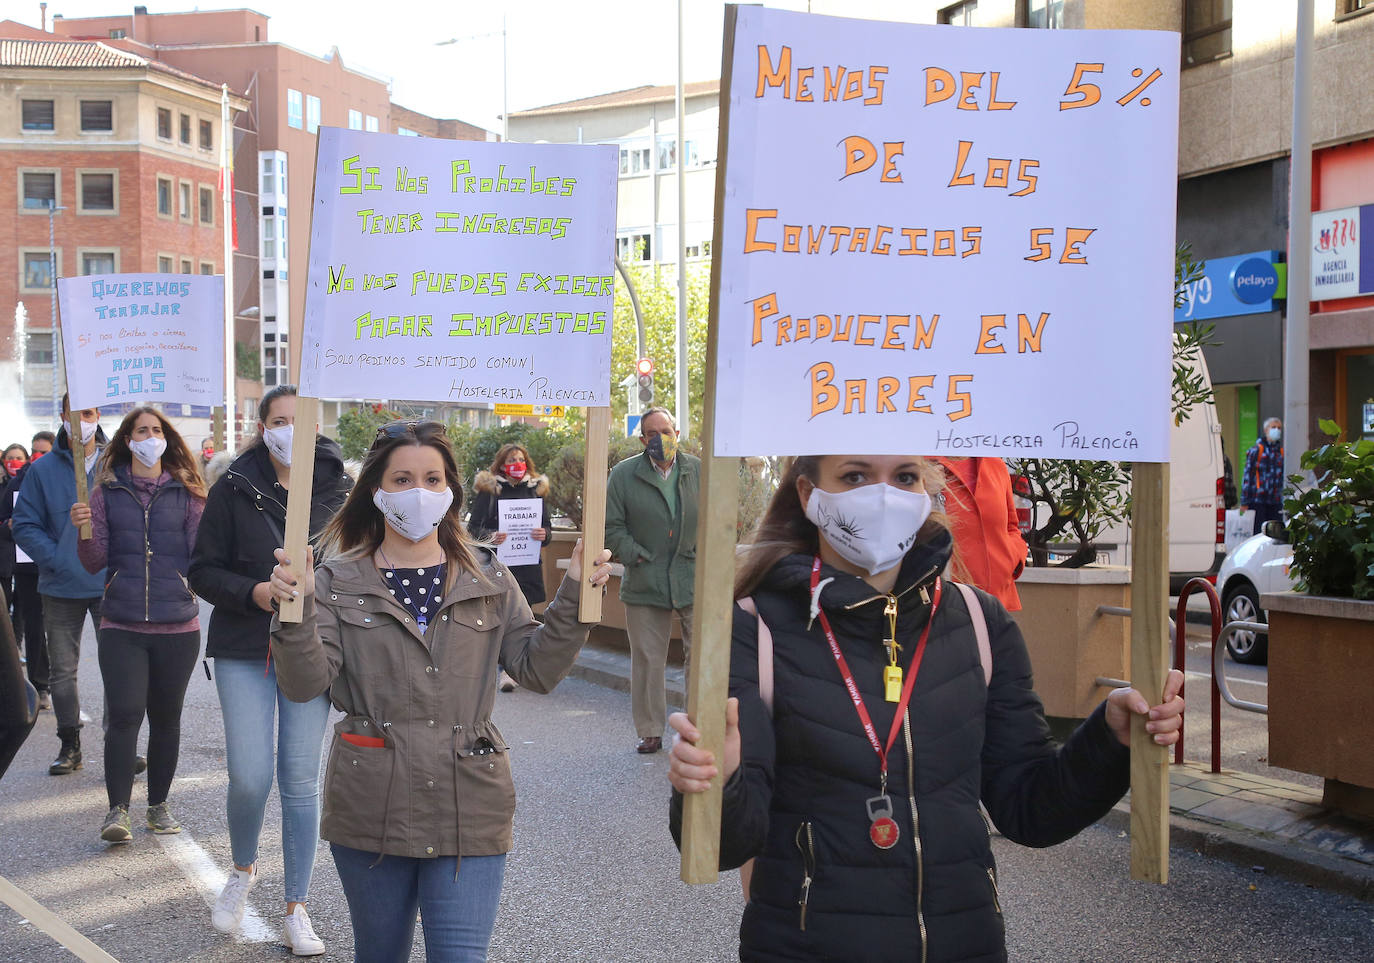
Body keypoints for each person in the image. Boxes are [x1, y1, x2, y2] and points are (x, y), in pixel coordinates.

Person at [667, 454, 1185, 962]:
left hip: (966, 943)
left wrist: (1111, 738)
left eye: (905, 476)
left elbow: (1031, 809)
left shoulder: (982, 624)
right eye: (855, 476)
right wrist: (718, 780)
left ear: (927, 489)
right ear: (808, 494)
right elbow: (723, 847)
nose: (884, 495)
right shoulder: (750, 631)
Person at [268, 419, 613, 963]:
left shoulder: (489, 574)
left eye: (431, 479)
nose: (418, 493)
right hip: (372, 804)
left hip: (469, 800)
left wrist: (574, 598)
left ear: (450, 489)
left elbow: (536, 669)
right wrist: (297, 612)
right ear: (377, 492)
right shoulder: (335, 581)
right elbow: (306, 681)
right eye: (402, 479)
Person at [189, 385, 352, 956]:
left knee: (301, 782)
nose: (288, 430)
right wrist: (255, 591)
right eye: (278, 420)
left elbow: (358, 571)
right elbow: (201, 571)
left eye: (298, 420)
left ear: (315, 427)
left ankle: (296, 908)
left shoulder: (342, 491)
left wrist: (318, 589)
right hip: (243, 647)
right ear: (263, 427)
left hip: (311, 651)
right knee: (251, 776)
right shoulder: (233, 486)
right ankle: (241, 869)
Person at [70, 406, 206, 844]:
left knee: (166, 720)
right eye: (141, 431)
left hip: (177, 626)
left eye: (157, 430)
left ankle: (158, 806)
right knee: (125, 716)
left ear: (167, 438)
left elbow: (200, 559)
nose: (150, 437)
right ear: (127, 440)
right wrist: (83, 530)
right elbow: (92, 562)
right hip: (122, 624)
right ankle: (118, 811)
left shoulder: (188, 492)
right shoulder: (105, 492)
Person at [12, 397, 108, 775]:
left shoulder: (115, 464)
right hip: (60, 586)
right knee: (62, 671)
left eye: (87, 413)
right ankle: (70, 744)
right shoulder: (42, 470)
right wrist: (54, 557)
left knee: (118, 666)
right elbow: (24, 524)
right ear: (62, 417)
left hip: (109, 584)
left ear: (98, 416)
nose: (80, 420)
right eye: (73, 413)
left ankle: (120, 741)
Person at [604, 407, 699, 753]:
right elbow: (611, 527)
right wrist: (637, 555)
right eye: (654, 433)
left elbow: (718, 520)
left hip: (692, 575)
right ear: (643, 439)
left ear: (677, 433)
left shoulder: (697, 471)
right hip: (646, 576)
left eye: (668, 431)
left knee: (701, 655)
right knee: (647, 658)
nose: (662, 439)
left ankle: (698, 724)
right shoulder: (624, 474)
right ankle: (650, 729)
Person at [467, 443, 553, 693]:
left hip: (527, 564)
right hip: (499, 565)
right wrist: (491, 536)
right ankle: (503, 667)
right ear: (502, 465)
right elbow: (473, 530)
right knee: (502, 616)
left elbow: (547, 530)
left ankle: (518, 668)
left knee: (526, 617)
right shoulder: (491, 491)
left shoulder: (535, 491)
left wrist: (543, 533)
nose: (517, 463)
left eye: (521, 459)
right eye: (511, 459)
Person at [934, 456, 1027, 611]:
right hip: (944, 602)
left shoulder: (994, 464)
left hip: (996, 602)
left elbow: (1011, 527)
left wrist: (1011, 559)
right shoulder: (919, 465)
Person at [1, 442, 49, 711]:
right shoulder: (18, 485)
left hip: (63, 566)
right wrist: (11, 527)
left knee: (59, 629)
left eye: (45, 451)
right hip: (25, 566)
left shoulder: (63, 479)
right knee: (33, 625)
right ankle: (39, 684)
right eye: (35, 452)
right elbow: (5, 520)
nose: (37, 457)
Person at [1241, 417, 1285, 535]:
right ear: (1266, 430)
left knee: (1276, 534)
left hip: (1275, 501)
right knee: (1258, 534)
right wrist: (1244, 501)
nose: (1277, 430)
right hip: (1258, 500)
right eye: (1273, 427)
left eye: (1279, 428)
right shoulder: (1256, 450)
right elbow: (1247, 477)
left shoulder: (1280, 452)